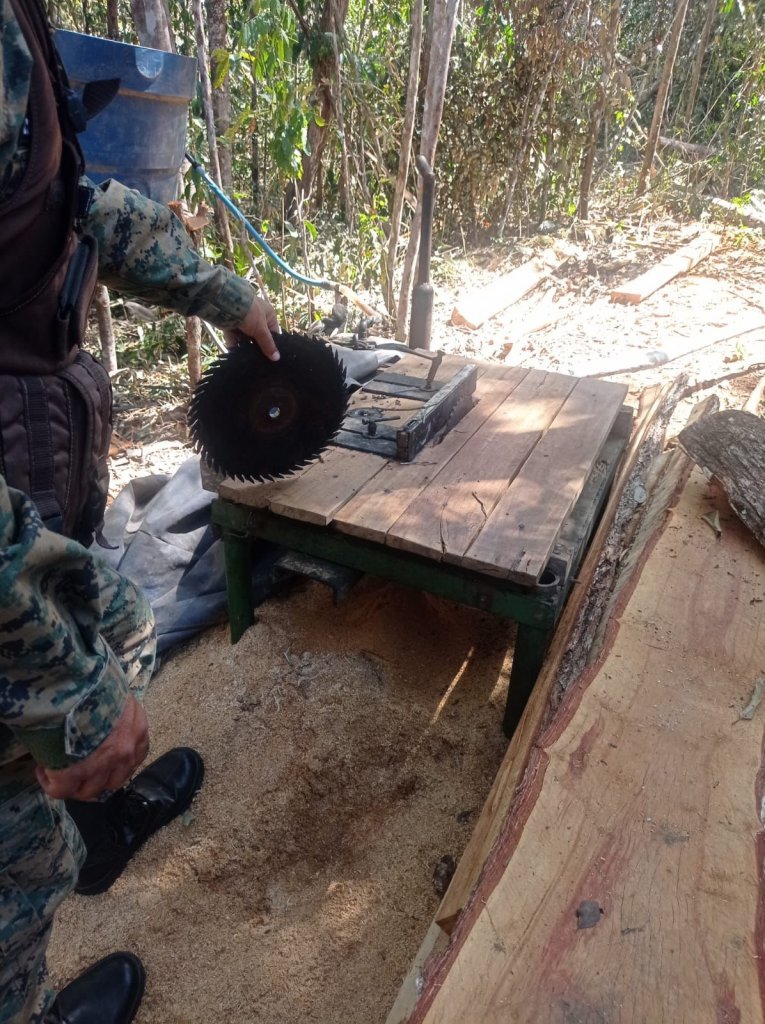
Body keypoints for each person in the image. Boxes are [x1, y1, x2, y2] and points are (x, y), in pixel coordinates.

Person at [0, 0, 282, 1020]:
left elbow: (58, 208)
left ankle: (100, 830)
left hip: (34, 453)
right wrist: (66, 686)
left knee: (65, 715)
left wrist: (215, 288)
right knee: (16, 854)